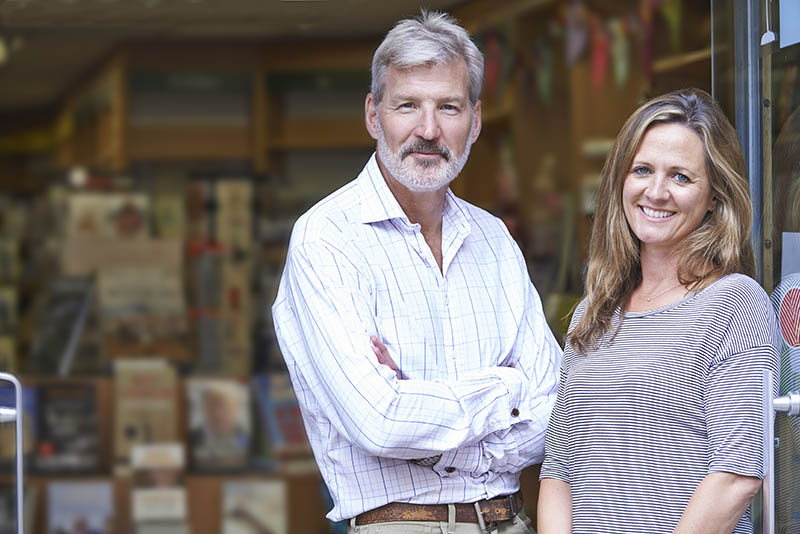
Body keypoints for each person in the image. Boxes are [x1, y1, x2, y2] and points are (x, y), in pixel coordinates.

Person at [272, 10, 561, 534]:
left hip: (511, 521)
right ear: (373, 115)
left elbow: (556, 412)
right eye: (408, 105)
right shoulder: (327, 239)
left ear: (474, 122)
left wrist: (420, 408)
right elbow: (379, 422)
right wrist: (506, 387)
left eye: (448, 107)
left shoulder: (495, 240)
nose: (428, 131)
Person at [537, 88, 781, 534]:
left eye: (681, 177)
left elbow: (737, 476)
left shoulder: (734, 302)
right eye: (642, 170)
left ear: (714, 197)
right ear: (620, 182)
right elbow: (558, 472)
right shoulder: (593, 313)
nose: (656, 191)